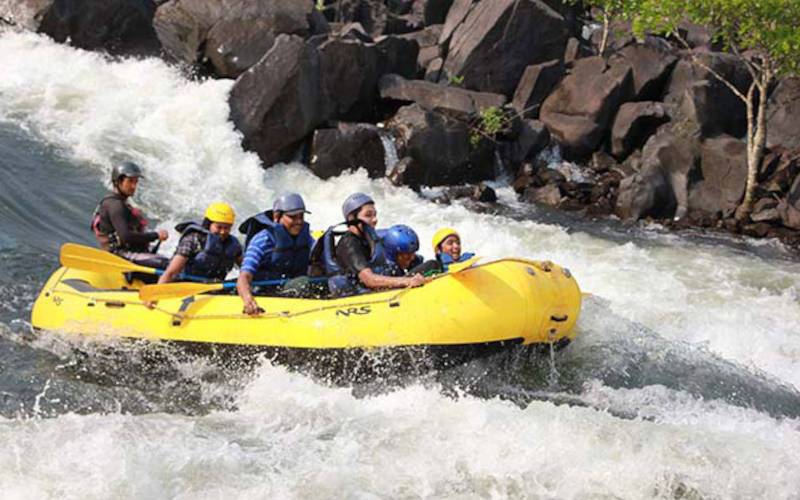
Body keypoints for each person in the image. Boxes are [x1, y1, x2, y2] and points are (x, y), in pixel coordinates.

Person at [237, 192, 315, 315]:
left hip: (292, 287)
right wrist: (248, 300)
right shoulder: (262, 240)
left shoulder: (307, 237)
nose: (299, 221)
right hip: (266, 291)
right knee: (303, 283)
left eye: (301, 216)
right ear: (277, 217)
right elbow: (244, 276)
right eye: (293, 217)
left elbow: (320, 259)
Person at [333, 193, 425, 292]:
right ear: (352, 219)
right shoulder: (349, 243)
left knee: (432, 265)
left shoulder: (371, 237)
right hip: (355, 296)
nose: (375, 219)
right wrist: (407, 281)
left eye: (375, 215)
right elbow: (369, 280)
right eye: (368, 215)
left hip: (374, 291)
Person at [90, 161, 169, 268]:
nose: (133, 186)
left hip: (128, 253)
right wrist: (156, 235)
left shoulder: (119, 203)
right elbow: (125, 236)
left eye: (136, 182)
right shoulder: (115, 205)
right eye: (130, 181)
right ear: (118, 181)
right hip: (119, 256)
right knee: (166, 264)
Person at [157, 202, 243, 284]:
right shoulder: (193, 239)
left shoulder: (233, 245)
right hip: (184, 284)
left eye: (227, 228)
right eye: (219, 227)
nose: (222, 232)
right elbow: (171, 272)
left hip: (213, 287)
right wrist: (156, 294)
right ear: (209, 224)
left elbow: (245, 269)